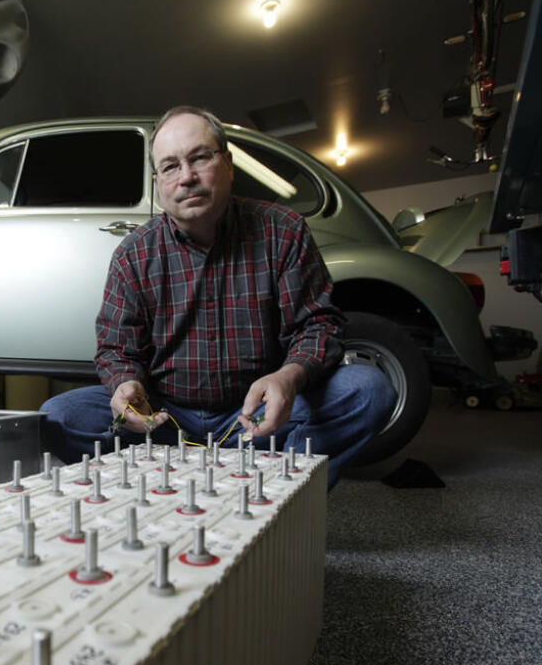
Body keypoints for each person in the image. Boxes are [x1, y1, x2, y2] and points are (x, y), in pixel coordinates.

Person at [40, 106, 396, 488]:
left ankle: (282, 494)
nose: (187, 177)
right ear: (159, 182)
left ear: (227, 164)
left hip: (258, 415)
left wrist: (288, 379)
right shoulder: (133, 253)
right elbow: (115, 348)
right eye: (171, 166)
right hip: (164, 420)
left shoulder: (284, 232)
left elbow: (318, 325)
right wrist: (126, 387)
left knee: (368, 391)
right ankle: (161, 485)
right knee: (58, 416)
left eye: (199, 158)